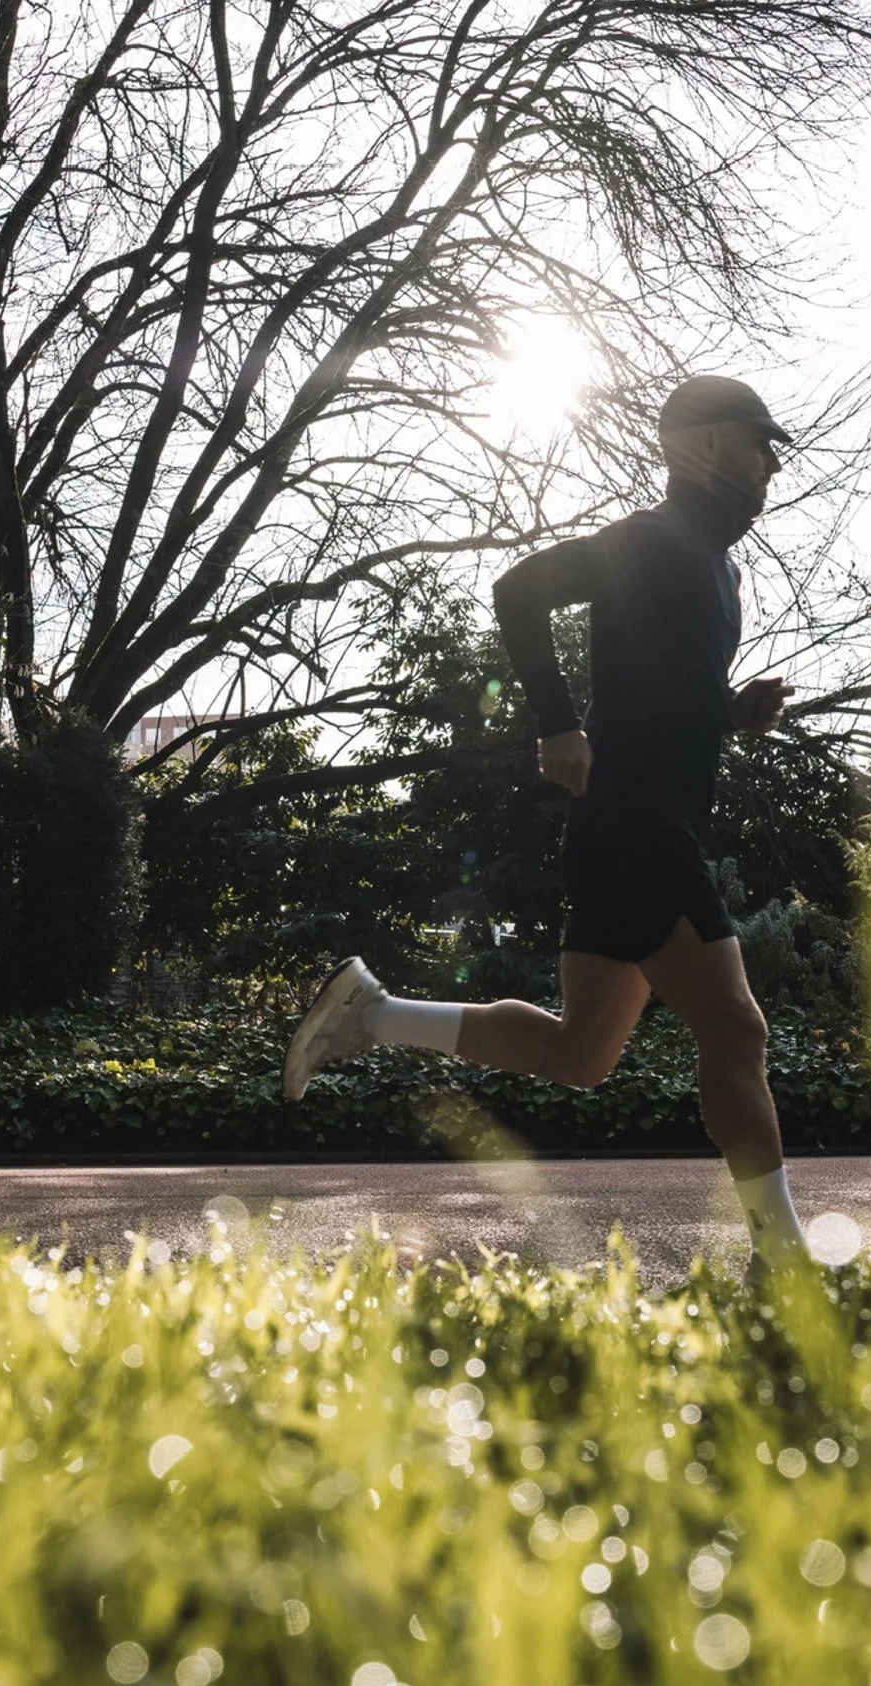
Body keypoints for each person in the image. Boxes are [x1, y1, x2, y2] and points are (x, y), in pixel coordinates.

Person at [282, 372, 813, 1259]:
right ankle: (786, 1260)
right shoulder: (651, 540)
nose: (770, 467)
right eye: (760, 446)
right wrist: (557, 720)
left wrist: (730, 713)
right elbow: (519, 588)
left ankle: (370, 1013)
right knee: (734, 1025)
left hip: (634, 825)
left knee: (580, 1056)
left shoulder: (719, 568)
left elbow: (661, 693)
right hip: (641, 823)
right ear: (711, 444)